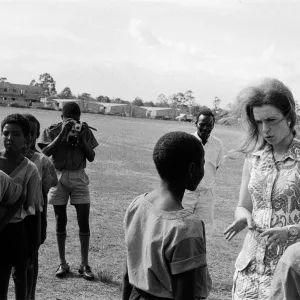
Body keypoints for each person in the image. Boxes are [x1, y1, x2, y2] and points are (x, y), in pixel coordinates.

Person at [224, 78, 300, 299]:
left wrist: (290, 231)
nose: (265, 129)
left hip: (288, 272)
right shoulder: (254, 159)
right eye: (258, 122)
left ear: (289, 117)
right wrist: (243, 217)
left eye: (271, 120)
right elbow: (242, 206)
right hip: (249, 270)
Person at [122, 131, 212, 300]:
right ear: (192, 169)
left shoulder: (138, 204)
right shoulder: (186, 228)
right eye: (202, 164)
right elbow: (184, 295)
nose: (203, 169)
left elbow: (129, 270)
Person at [39, 102, 98, 280]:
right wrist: (63, 133)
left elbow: (91, 157)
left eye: (76, 120)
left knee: (84, 221)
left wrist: (80, 139)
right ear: (62, 118)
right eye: (69, 120)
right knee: (60, 221)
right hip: (58, 176)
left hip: (79, 176)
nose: (73, 124)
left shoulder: (85, 131)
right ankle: (62, 263)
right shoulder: (53, 130)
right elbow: (45, 153)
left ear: (80, 119)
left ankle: (84, 264)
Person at [0, 114, 42, 300]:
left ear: (27, 138)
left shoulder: (31, 169)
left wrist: (33, 244)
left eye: (16, 134)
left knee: (20, 277)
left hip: (17, 230)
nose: (9, 138)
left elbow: (30, 206)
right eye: (6, 133)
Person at [23, 114, 58, 300]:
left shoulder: (42, 161)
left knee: (31, 259)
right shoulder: (5, 158)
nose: (28, 137)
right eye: (24, 132)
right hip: (9, 218)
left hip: (32, 218)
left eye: (32, 133)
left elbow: (45, 192)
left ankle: (31, 295)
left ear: (37, 135)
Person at [183, 108, 224, 225]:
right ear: (196, 123)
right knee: (181, 227)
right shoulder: (187, 141)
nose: (206, 128)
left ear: (213, 125)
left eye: (210, 125)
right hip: (186, 193)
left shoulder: (218, 144)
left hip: (206, 194)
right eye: (202, 124)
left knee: (201, 229)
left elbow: (215, 167)